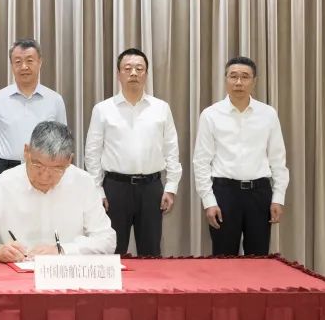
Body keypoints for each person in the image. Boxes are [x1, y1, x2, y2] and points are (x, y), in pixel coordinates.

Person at [0, 121, 115, 261]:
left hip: (67, 276)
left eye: (57, 169)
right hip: (15, 277)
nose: (45, 176)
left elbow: (107, 240)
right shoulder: (2, 185)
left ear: (69, 161)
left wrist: (62, 250)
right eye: (38, 165)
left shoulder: (83, 183)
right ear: (26, 152)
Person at [84, 47, 182, 256]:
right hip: (115, 189)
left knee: (151, 252)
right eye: (127, 68)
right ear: (118, 74)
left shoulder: (161, 108)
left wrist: (171, 187)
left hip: (151, 189)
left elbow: (171, 149)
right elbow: (92, 153)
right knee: (112, 251)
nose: (134, 73)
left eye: (139, 68)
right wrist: (97, 190)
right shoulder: (103, 109)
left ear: (146, 73)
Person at [191, 56, 290, 256]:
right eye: (233, 76)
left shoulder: (268, 114)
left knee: (259, 258)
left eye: (245, 77)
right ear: (225, 79)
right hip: (224, 194)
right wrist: (209, 201)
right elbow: (201, 162)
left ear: (254, 81)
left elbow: (278, 160)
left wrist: (278, 198)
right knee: (224, 258)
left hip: (259, 194)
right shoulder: (210, 114)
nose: (238, 82)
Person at [0, 38, 67, 185]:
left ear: (40, 62)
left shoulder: (55, 100)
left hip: (44, 171)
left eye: (29, 61)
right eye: (18, 62)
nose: (24, 66)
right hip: (6, 172)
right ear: (12, 65)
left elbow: (62, 146)